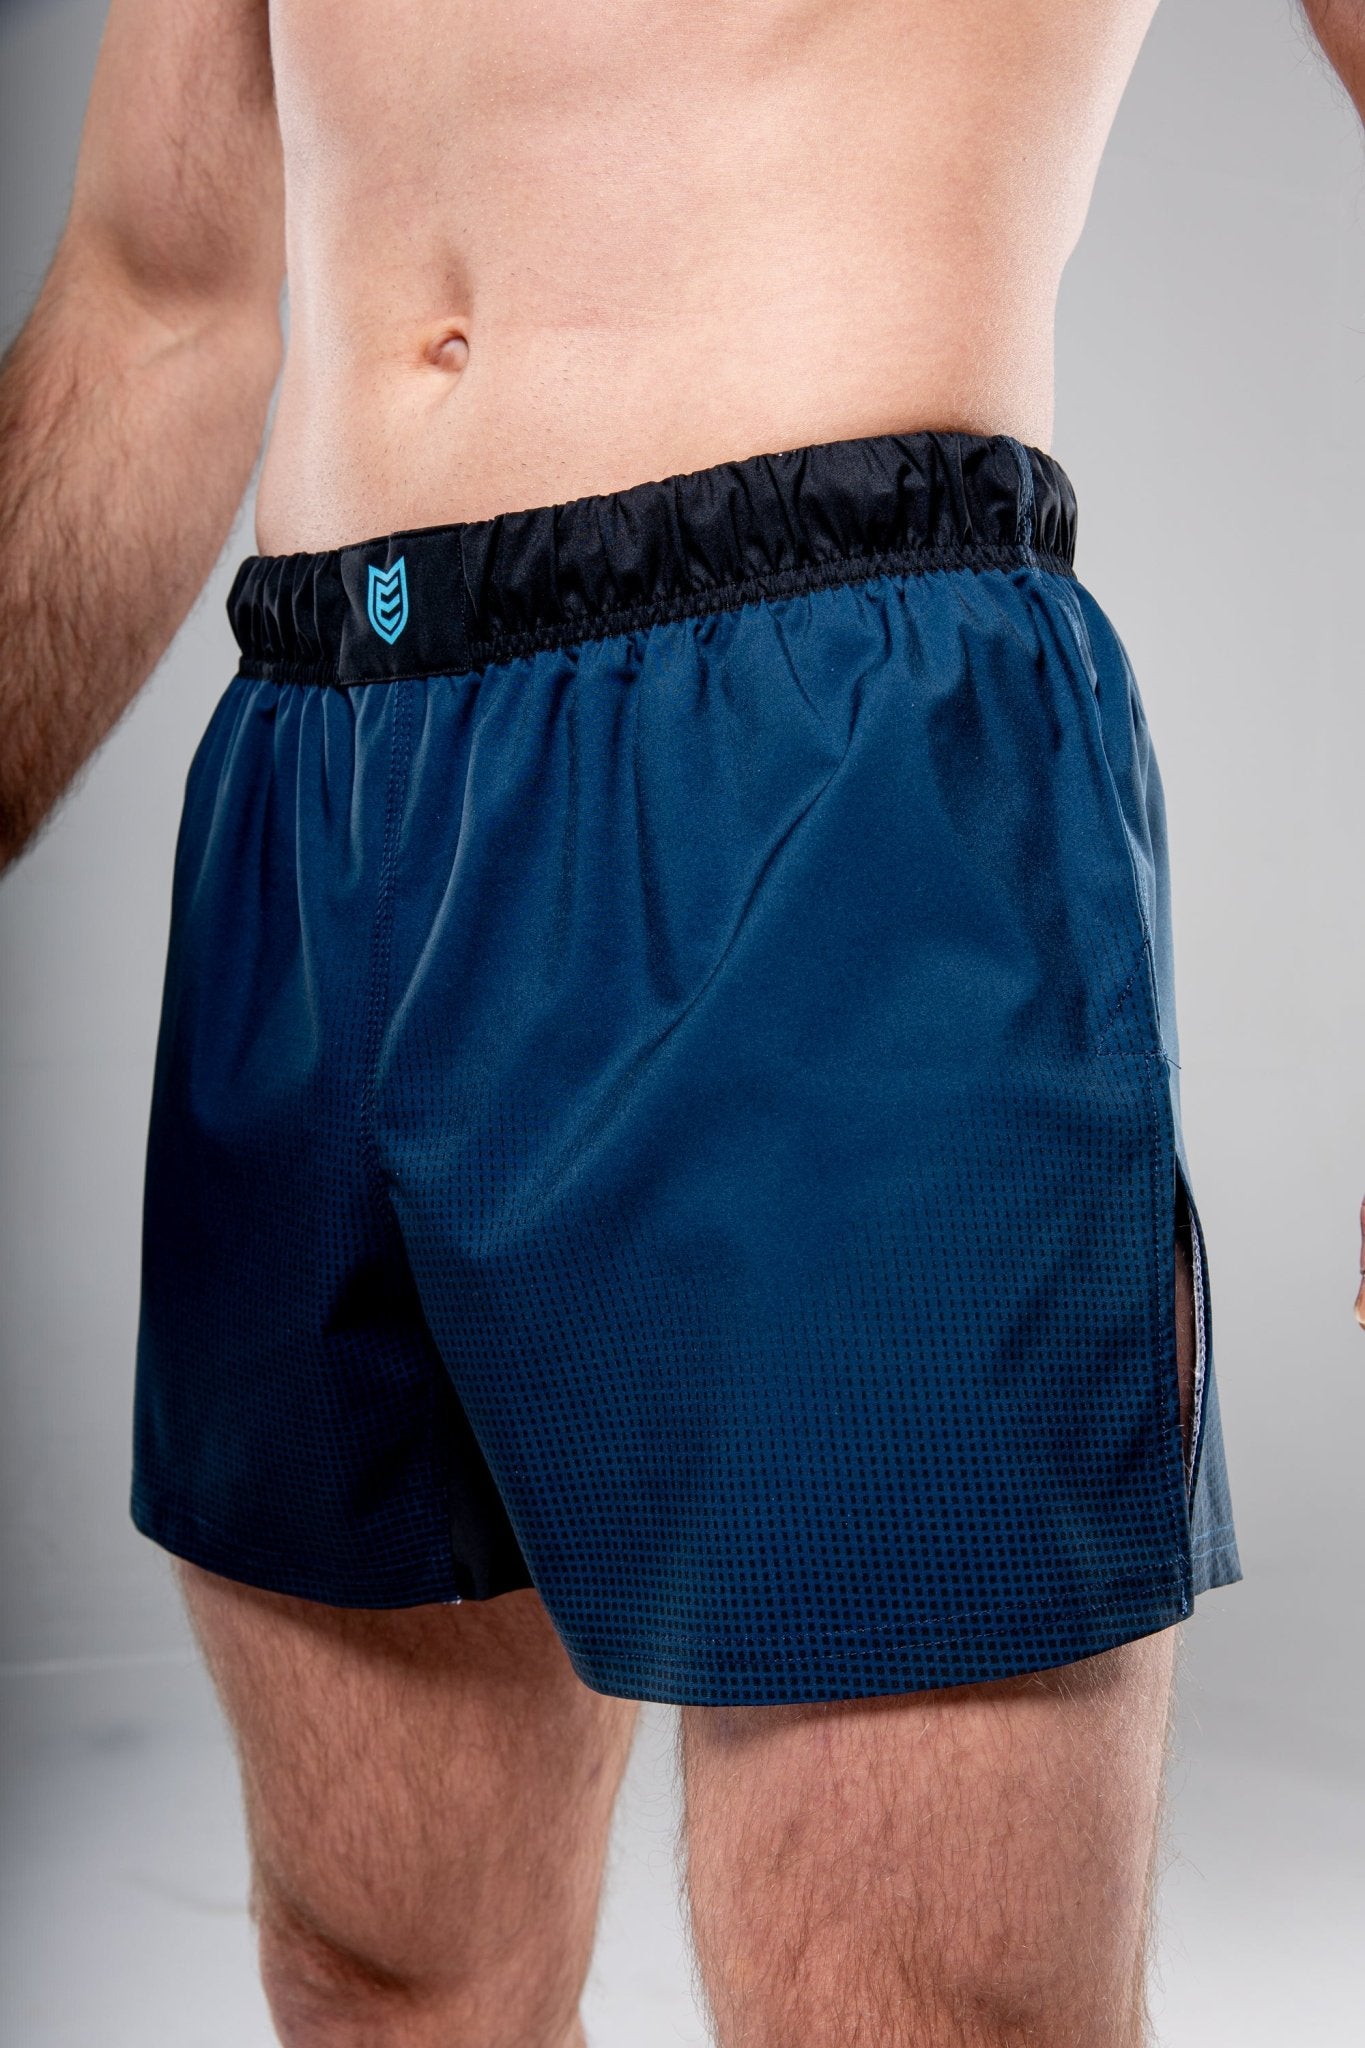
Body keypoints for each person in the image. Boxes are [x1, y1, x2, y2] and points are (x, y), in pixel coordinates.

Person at [0, 3, 1360, 2042]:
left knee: (914, 2010)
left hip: (827, 754)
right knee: (380, 1975)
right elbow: (154, 299)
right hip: (318, 780)